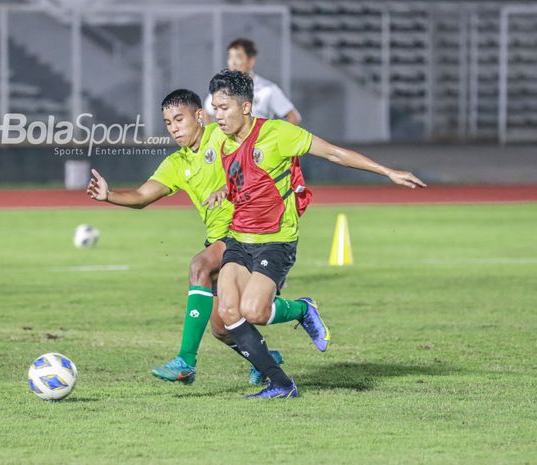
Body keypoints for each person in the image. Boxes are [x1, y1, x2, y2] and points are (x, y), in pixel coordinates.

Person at [204, 69, 426, 399]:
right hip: (238, 239)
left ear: (246, 107)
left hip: (275, 242)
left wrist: (386, 171)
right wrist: (224, 189)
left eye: (224, 108)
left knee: (255, 313)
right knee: (227, 314)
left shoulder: (279, 134)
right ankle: (280, 384)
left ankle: (303, 309)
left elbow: (334, 153)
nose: (218, 116)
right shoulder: (221, 140)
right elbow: (245, 175)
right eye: (214, 108)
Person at [86, 89, 291, 386]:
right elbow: (143, 195)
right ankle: (264, 359)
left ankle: (186, 361)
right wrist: (110, 195)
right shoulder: (176, 163)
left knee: (199, 266)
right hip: (220, 241)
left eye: (179, 119)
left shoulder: (221, 137)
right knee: (222, 328)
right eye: (168, 122)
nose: (174, 128)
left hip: (245, 234)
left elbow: (254, 142)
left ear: (199, 116)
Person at [204, 38, 301, 125]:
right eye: (230, 57)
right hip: (231, 145)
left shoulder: (267, 89)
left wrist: (273, 139)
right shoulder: (222, 87)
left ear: (251, 61)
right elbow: (207, 113)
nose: (232, 62)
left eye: (238, 57)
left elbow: (294, 118)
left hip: (257, 144)